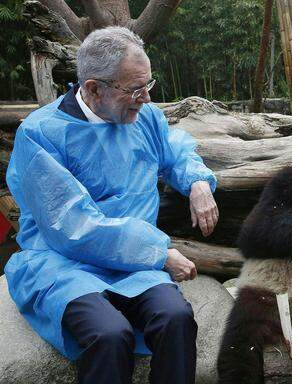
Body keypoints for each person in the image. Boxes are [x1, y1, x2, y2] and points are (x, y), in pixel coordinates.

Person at [5, 26, 219, 384]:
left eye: (149, 85)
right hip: (64, 263)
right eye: (136, 90)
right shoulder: (40, 134)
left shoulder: (144, 117)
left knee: (176, 318)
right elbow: (72, 227)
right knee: (109, 335)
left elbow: (176, 148)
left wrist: (197, 181)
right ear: (93, 88)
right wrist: (159, 254)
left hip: (134, 265)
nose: (146, 99)